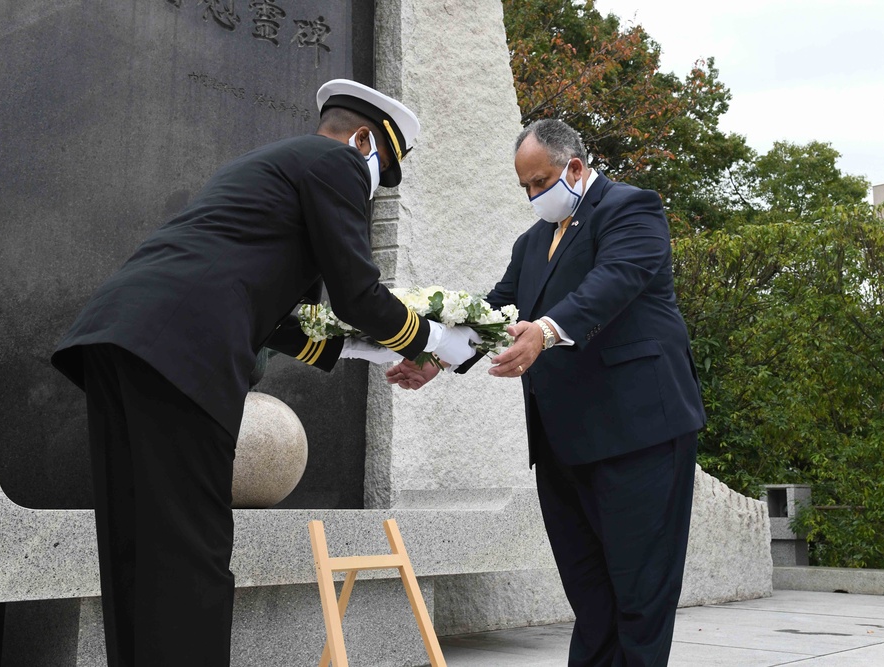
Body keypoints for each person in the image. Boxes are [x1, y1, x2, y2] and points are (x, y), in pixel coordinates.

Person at [51, 79, 478, 667]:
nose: (376, 187)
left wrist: (377, 351)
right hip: (182, 353)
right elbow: (357, 293)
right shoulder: (340, 163)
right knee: (190, 551)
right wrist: (436, 342)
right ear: (363, 139)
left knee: (136, 543)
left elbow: (281, 322)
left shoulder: (271, 165)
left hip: (123, 339)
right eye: (383, 170)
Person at [387, 118, 706, 666]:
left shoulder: (631, 208)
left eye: (541, 182)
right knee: (590, 597)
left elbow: (613, 282)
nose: (534, 195)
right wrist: (435, 358)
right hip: (564, 443)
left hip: (639, 434)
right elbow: (494, 310)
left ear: (575, 168)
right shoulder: (531, 242)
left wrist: (548, 330)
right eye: (525, 187)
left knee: (639, 595)